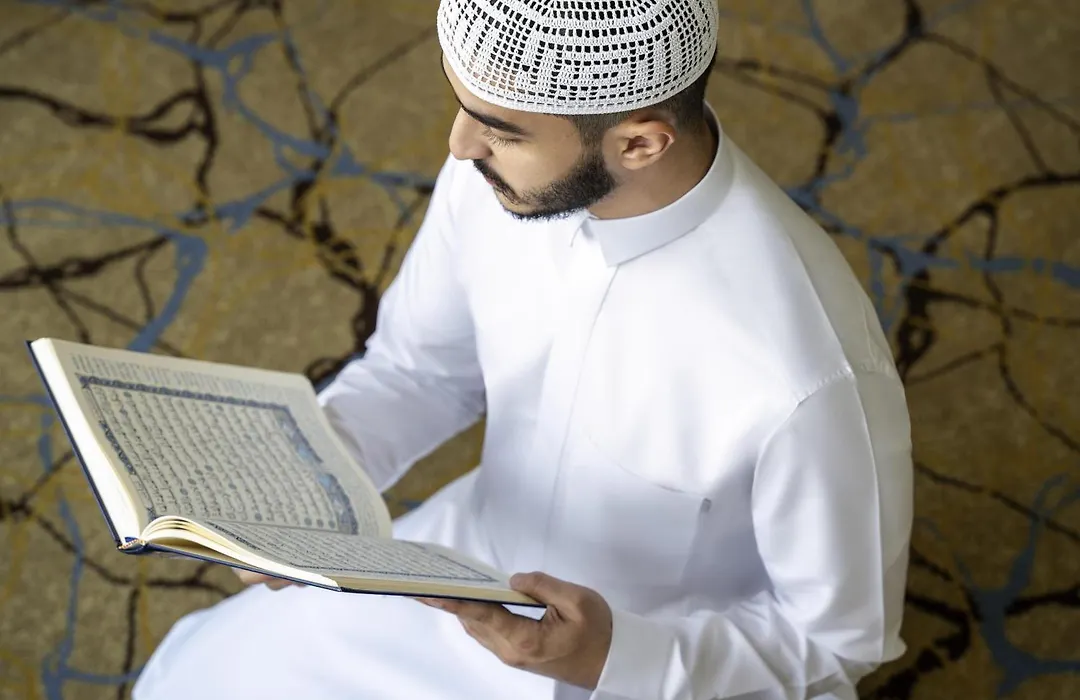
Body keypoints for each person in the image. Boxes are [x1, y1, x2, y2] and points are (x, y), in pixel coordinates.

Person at [133, 1, 913, 698]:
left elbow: (836, 644)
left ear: (640, 143)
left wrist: (611, 657)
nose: (458, 145)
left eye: (499, 129)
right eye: (465, 109)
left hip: (668, 661)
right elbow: (418, 370)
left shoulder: (810, 377)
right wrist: (310, 489)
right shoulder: (498, 174)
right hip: (468, 576)